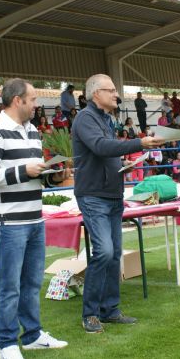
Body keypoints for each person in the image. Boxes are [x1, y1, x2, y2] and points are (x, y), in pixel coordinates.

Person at [0, 78, 68, 359]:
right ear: (18, 101)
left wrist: (52, 177)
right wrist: (24, 171)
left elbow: (32, 177)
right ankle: (6, 345)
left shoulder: (33, 133)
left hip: (34, 218)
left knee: (31, 283)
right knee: (9, 286)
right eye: (32, 99)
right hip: (8, 223)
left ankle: (32, 335)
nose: (36, 105)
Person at [72, 73, 164, 333]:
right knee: (104, 252)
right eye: (110, 90)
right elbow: (101, 147)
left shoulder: (107, 119)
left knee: (114, 256)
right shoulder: (85, 118)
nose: (116, 94)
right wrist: (139, 142)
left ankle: (110, 310)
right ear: (95, 94)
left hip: (112, 194)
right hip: (93, 196)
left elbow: (106, 152)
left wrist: (124, 164)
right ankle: (90, 313)